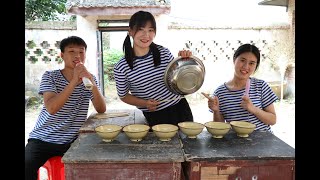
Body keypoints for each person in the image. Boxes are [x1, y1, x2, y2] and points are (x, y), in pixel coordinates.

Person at [25, 36, 106, 180]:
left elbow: (101, 108)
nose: (77, 56)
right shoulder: (50, 76)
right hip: (42, 138)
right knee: (27, 165)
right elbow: (51, 108)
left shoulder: (89, 79)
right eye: (71, 51)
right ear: (62, 55)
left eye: (81, 52)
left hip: (71, 140)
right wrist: (74, 81)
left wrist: (92, 83)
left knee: (93, 167)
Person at [113, 10, 193, 127]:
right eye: (141, 29)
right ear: (130, 31)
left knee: (188, 143)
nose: (146, 35)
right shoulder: (121, 66)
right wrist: (144, 103)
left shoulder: (164, 53)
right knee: (163, 145)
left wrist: (183, 59)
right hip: (154, 114)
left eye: (150, 30)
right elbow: (124, 96)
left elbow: (178, 77)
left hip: (180, 107)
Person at [204, 43, 278, 132]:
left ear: (256, 66)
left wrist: (253, 109)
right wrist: (216, 111)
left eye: (251, 63)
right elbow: (220, 127)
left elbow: (272, 120)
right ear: (234, 60)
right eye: (242, 60)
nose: (246, 66)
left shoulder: (261, 86)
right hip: (236, 142)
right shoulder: (220, 92)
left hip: (263, 141)